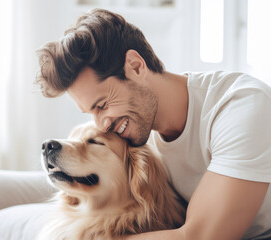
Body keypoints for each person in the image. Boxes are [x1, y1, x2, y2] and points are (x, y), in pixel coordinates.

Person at [35, 8, 271, 240]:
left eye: (103, 104)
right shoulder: (137, 134)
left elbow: (198, 236)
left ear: (136, 67)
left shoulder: (240, 106)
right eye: (91, 112)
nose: (102, 125)